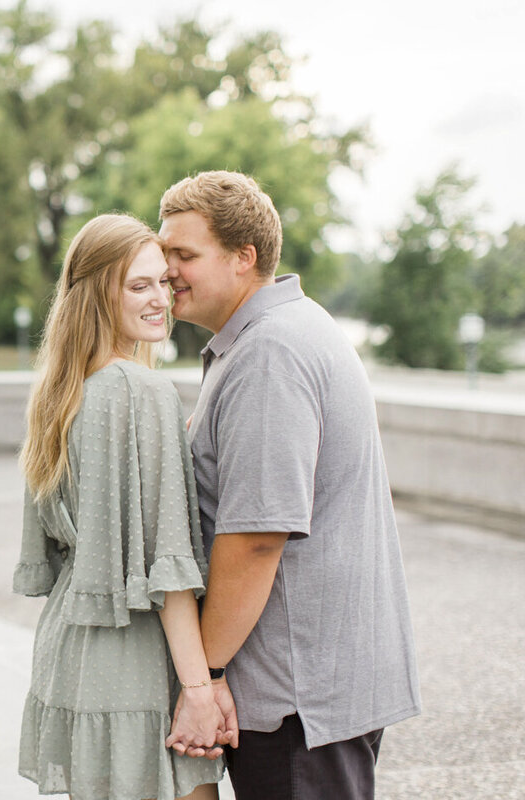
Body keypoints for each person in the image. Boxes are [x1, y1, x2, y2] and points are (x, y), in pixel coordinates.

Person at [157, 171, 421, 800]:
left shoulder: (270, 354)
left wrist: (205, 675)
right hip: (311, 687)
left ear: (244, 258)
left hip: (298, 700)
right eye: (164, 254)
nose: (168, 271)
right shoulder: (277, 334)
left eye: (184, 255)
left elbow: (256, 538)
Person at [14, 213, 236, 800]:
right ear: (96, 294)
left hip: (72, 653)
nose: (161, 298)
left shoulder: (58, 394)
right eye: (140, 285)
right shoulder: (143, 392)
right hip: (136, 663)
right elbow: (168, 568)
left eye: (164, 281)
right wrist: (198, 688)